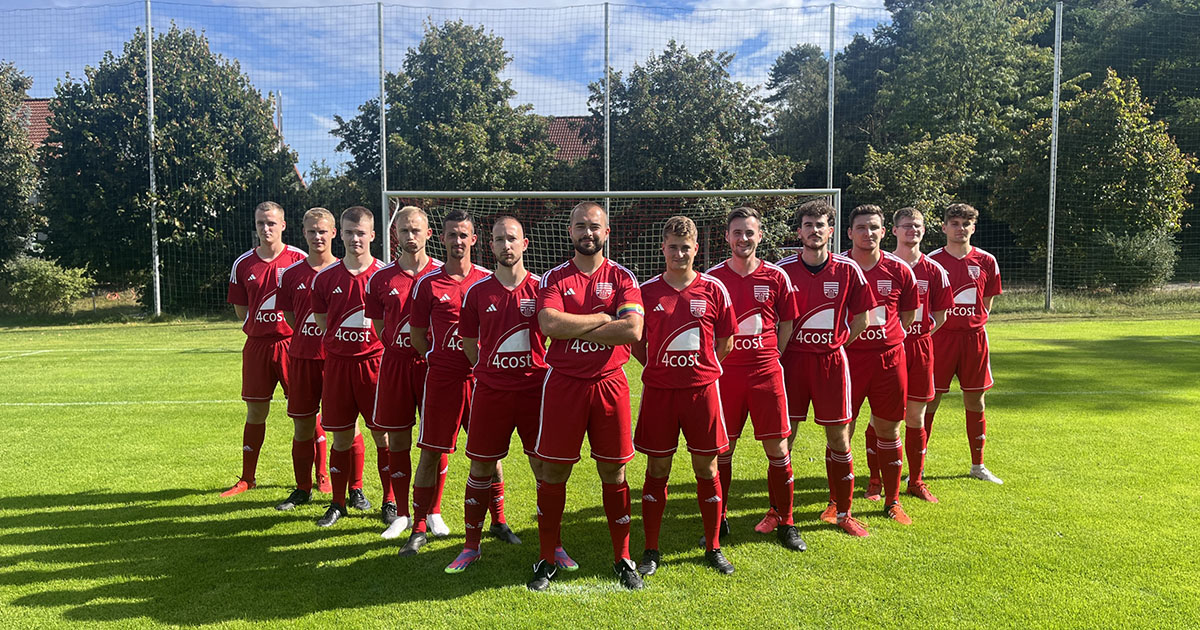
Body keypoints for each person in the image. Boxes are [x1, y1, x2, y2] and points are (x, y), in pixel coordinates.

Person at [527, 201, 644, 592]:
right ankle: (546, 558)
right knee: (554, 471)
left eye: (594, 226)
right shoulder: (554, 278)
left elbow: (632, 331)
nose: (587, 233)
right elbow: (548, 324)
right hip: (564, 385)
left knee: (614, 471)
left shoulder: (624, 277)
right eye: (580, 226)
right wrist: (600, 319)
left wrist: (573, 328)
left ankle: (623, 557)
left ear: (606, 232)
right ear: (570, 232)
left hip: (610, 384)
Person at [445, 215, 572, 574]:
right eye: (499, 240)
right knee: (481, 465)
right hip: (491, 392)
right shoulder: (477, 291)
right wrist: (493, 371)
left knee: (544, 468)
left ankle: (554, 544)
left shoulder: (542, 288)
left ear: (524, 243)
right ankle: (471, 546)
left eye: (512, 239)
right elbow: (471, 345)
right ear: (491, 246)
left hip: (536, 392)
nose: (505, 245)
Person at [633, 215, 737, 577]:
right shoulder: (646, 292)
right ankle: (650, 549)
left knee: (706, 467)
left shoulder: (713, 290)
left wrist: (701, 368)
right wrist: (662, 367)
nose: (679, 253)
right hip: (660, 393)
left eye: (686, 247)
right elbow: (636, 342)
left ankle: (713, 547)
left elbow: (726, 341)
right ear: (663, 248)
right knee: (657, 467)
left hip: (702, 392)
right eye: (673, 247)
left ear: (696, 249)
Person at [398, 209, 506, 557]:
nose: (458, 241)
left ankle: (499, 521)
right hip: (442, 378)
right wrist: (438, 358)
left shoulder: (488, 280)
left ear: (474, 240)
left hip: (482, 380)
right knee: (430, 452)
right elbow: (417, 337)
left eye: (464, 235)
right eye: (452, 235)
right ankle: (418, 527)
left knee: (490, 455)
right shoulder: (427, 284)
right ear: (441, 238)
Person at [705, 207, 805, 551]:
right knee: (723, 449)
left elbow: (788, 322)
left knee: (777, 449)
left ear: (760, 236)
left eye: (750, 233)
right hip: (728, 375)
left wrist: (773, 354)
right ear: (727, 237)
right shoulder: (713, 279)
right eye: (737, 233)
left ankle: (787, 520)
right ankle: (720, 515)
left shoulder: (776, 277)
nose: (743, 239)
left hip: (766, 373)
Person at [778, 200, 875, 537]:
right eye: (808, 224)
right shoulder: (783, 270)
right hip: (791, 363)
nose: (814, 230)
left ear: (831, 231)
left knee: (838, 437)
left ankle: (843, 512)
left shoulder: (848, 270)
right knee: (783, 438)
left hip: (831, 363)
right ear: (799, 231)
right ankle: (779, 511)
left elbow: (862, 317)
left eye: (821, 224)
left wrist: (837, 344)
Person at [364, 205, 443, 539]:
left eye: (416, 230)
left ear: (428, 233)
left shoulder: (443, 274)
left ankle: (434, 511)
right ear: (394, 234)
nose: (410, 237)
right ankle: (402, 513)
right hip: (396, 364)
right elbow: (380, 325)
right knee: (397, 438)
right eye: (404, 231)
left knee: (435, 441)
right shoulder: (381, 278)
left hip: (435, 367)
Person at [841, 205, 919, 525]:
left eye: (874, 227)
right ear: (850, 233)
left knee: (888, 429)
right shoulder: (838, 268)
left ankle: (892, 501)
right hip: (848, 359)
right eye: (861, 227)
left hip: (889, 359)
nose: (867, 233)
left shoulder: (899, 269)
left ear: (883, 232)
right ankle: (840, 502)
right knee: (842, 431)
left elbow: (908, 315)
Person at [222, 201, 306, 497]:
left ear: (283, 225)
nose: (266, 228)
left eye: (271, 223)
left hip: (292, 345)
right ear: (255, 226)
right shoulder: (243, 263)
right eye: (261, 223)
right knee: (256, 411)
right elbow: (240, 310)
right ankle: (247, 477)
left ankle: (320, 476)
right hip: (257, 345)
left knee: (306, 412)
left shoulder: (299, 259)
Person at [310, 206, 386, 526]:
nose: (355, 239)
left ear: (372, 235)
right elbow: (324, 321)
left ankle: (391, 502)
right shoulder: (325, 278)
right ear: (340, 234)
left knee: (383, 436)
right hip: (339, 366)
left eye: (361, 233)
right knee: (341, 438)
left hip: (375, 364)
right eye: (349, 232)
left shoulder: (384, 275)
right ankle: (338, 503)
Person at [927, 203, 1004, 484]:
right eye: (955, 223)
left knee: (975, 399)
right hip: (940, 339)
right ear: (944, 227)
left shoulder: (986, 261)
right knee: (929, 400)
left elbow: (986, 303)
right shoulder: (932, 261)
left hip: (974, 340)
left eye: (966, 223)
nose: (960, 228)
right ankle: (918, 466)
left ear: (974, 227)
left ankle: (978, 466)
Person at [274, 207, 337, 510]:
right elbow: (289, 316)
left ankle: (354, 489)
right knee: (302, 426)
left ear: (333, 233)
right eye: (311, 231)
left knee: (345, 427)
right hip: (300, 358)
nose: (317, 236)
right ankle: (302, 488)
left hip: (336, 361)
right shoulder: (291, 274)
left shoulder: (343, 270)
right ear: (303, 233)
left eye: (322, 231)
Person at [890, 207, 952, 502]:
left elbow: (940, 314)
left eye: (916, 226)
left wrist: (922, 334)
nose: (911, 230)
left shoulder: (934, 270)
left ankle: (915, 481)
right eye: (906, 226)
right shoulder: (884, 265)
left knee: (916, 416)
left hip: (919, 348)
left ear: (924, 230)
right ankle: (876, 481)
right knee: (884, 417)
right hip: (887, 349)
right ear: (894, 231)